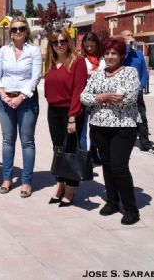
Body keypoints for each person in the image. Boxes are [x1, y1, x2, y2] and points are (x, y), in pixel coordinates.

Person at [80, 37, 141, 225]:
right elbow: (84, 96)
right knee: (106, 164)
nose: (110, 56)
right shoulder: (98, 75)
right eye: (107, 53)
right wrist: (105, 97)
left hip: (124, 127)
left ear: (121, 54)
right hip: (99, 126)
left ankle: (131, 209)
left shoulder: (130, 72)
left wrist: (100, 98)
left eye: (114, 53)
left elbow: (129, 97)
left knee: (119, 166)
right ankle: (113, 202)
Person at [0, 16, 42, 198]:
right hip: (5, 100)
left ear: (27, 31)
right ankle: (7, 178)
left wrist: (21, 97)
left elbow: (35, 77)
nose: (18, 32)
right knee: (7, 140)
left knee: (27, 141)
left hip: (27, 101)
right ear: (10, 32)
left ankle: (26, 181)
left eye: (21, 28)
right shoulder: (3, 51)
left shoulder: (34, 51)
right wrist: (4, 96)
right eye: (14, 29)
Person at [44, 28, 88, 207]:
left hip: (71, 111)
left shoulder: (78, 62)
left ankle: (70, 189)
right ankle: (60, 184)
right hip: (53, 111)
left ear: (68, 42)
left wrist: (72, 117)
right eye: (55, 42)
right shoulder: (51, 62)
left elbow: (79, 90)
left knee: (70, 150)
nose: (59, 45)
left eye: (63, 41)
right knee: (58, 150)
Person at [120, 30, 154, 156]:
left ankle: (145, 144)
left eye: (132, 35)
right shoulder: (120, 54)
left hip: (137, 91)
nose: (131, 37)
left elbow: (144, 71)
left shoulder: (139, 54)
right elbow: (120, 63)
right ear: (122, 40)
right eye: (128, 35)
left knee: (142, 118)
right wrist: (126, 47)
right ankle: (121, 142)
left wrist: (141, 86)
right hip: (123, 92)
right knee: (123, 117)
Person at [80, 32, 105, 163]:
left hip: (100, 97)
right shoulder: (81, 58)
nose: (89, 49)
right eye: (87, 46)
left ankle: (94, 152)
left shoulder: (103, 59)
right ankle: (85, 160)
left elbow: (107, 73)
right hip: (84, 97)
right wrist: (92, 73)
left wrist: (91, 73)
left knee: (96, 129)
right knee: (83, 131)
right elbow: (80, 74)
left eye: (92, 46)